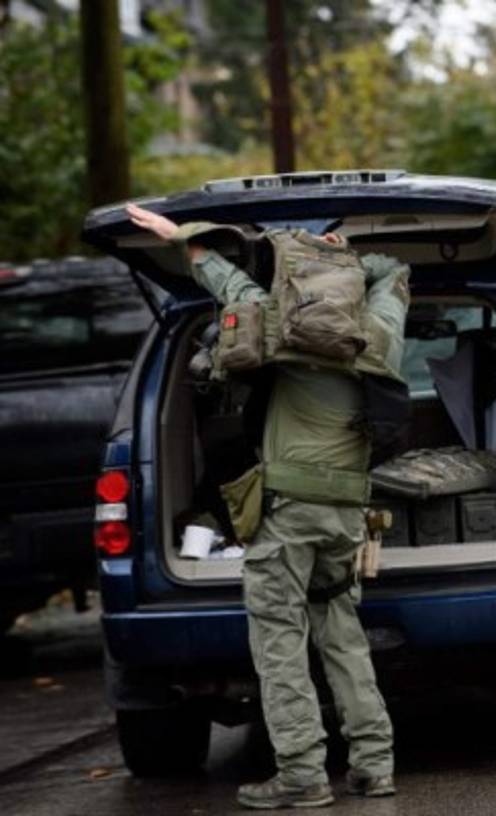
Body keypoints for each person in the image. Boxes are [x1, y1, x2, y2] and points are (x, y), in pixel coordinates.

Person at [128, 203, 406, 810]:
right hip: (345, 513)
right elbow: (394, 270)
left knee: (280, 640)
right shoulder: (379, 331)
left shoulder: (278, 323)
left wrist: (181, 236)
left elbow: (219, 274)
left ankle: (303, 775)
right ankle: (373, 764)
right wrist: (344, 254)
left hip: (287, 513)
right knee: (342, 635)